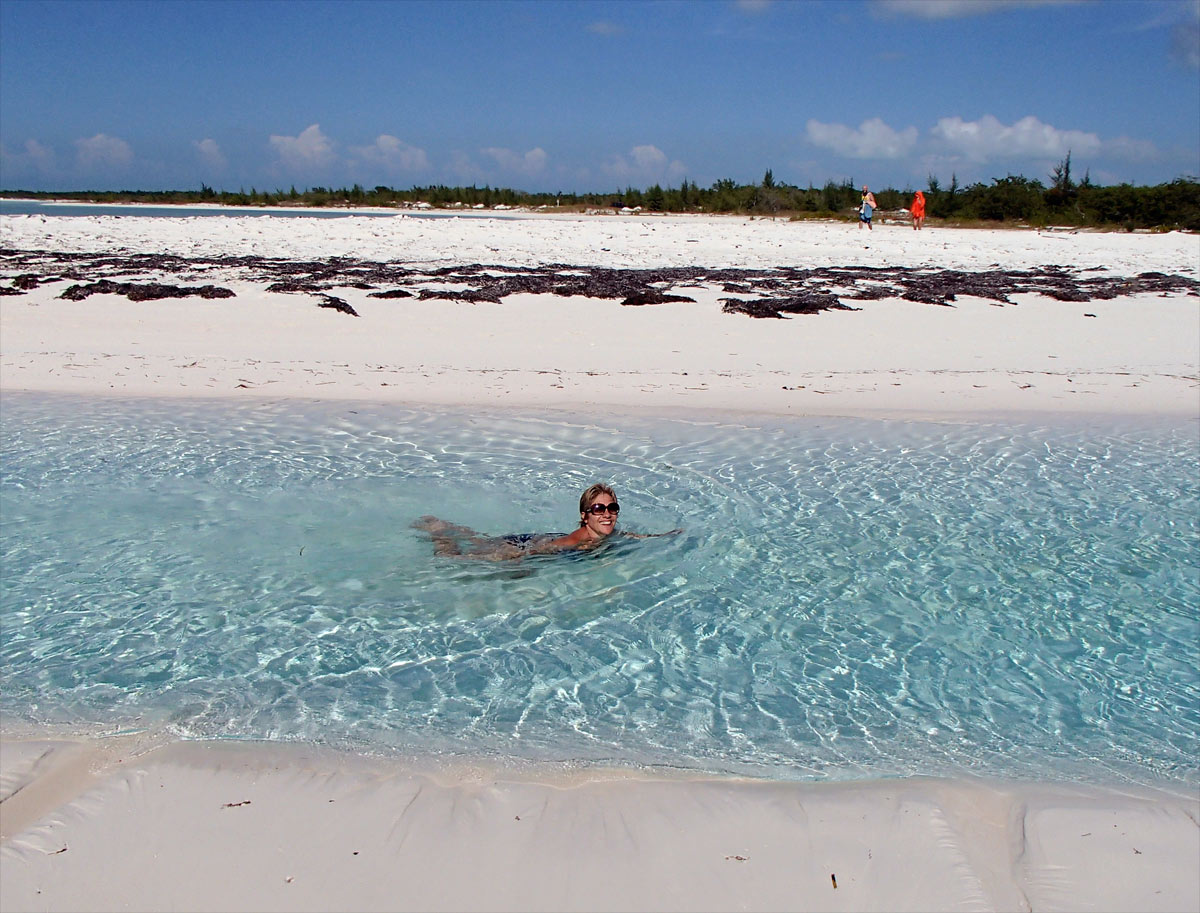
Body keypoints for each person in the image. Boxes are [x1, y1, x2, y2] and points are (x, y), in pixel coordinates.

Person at [412, 483, 679, 561]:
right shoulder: (579, 540)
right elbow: (550, 547)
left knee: (480, 542)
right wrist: (520, 559)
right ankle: (439, 532)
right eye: (599, 509)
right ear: (585, 515)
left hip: (531, 540)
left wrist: (667, 537)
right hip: (526, 546)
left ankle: (451, 528)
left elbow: (632, 537)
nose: (607, 514)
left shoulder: (609, 534)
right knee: (454, 560)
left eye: (612, 508)